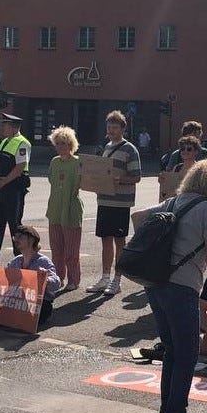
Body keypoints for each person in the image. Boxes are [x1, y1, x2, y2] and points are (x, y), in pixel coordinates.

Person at [142, 160, 207, 413]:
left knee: (171, 351)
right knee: (187, 355)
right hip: (182, 287)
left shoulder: (173, 202)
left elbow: (138, 218)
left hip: (155, 283)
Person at [86, 110, 142, 296]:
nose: (111, 130)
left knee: (119, 242)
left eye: (115, 127)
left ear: (122, 129)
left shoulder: (130, 149)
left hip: (120, 203)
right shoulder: (105, 147)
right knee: (105, 241)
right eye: (109, 127)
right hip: (104, 200)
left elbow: (136, 177)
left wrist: (121, 179)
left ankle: (117, 281)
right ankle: (104, 277)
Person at [0, 114, 31, 267]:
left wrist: (4, 181)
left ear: (14, 127)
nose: (3, 128)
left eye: (6, 126)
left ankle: (21, 258)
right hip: (2, 188)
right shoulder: (4, 142)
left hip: (14, 188)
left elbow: (20, 167)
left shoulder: (23, 143)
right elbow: (0, 164)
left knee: (14, 225)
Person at [45, 126, 82, 292]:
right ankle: (58, 278)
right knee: (56, 249)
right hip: (55, 210)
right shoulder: (54, 162)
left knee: (71, 251)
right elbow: (51, 180)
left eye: (63, 143)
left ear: (70, 144)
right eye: (57, 143)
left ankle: (73, 280)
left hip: (71, 210)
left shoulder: (78, 162)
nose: (60, 147)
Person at [6, 225, 62, 325]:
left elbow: (57, 283)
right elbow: (2, 281)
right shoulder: (15, 262)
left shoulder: (43, 261)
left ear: (31, 240)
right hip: (19, 301)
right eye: (15, 237)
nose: (16, 240)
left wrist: (46, 278)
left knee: (41, 311)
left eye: (20, 237)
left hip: (39, 303)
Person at [160, 135, 201, 202]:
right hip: (178, 202)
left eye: (189, 149)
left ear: (196, 152)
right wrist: (163, 181)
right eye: (182, 149)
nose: (185, 151)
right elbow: (171, 185)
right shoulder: (177, 168)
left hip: (192, 203)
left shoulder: (200, 169)